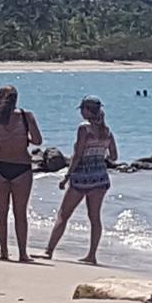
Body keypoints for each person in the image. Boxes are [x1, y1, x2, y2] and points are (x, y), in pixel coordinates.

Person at [44, 95, 118, 264]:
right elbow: (114, 156)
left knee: (64, 215)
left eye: (82, 109)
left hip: (81, 176)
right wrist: (99, 154)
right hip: (99, 177)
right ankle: (92, 255)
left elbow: (77, 155)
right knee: (95, 218)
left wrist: (66, 176)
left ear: (86, 110)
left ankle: (49, 251)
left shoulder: (84, 128)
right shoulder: (107, 131)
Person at [0, 85, 42, 262]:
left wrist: (0, 144)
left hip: (0, 166)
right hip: (21, 167)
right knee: (20, 212)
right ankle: (23, 252)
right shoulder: (26, 116)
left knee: (1, 211)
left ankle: (3, 251)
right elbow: (38, 140)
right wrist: (25, 139)